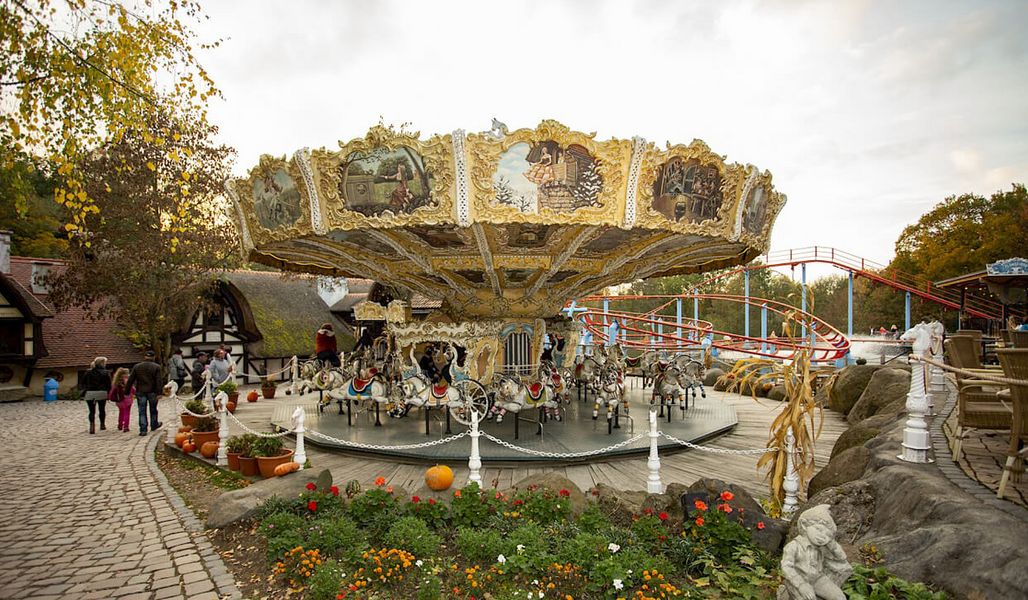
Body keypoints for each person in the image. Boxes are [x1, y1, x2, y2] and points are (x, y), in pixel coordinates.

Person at [127, 350, 163, 436]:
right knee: (153, 409)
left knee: (142, 411)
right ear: (153, 357)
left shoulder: (137, 366)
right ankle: (154, 425)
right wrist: (159, 392)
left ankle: (143, 429)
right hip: (152, 391)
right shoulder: (156, 367)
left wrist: (127, 391)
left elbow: (131, 379)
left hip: (140, 391)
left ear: (145, 357)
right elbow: (158, 381)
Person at [79, 356, 112, 434]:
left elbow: (82, 382)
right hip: (101, 392)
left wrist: (86, 389)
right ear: (102, 363)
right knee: (102, 409)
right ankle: (102, 424)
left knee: (91, 411)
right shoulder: (105, 372)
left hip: (90, 392)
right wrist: (108, 392)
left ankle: (92, 425)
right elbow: (109, 384)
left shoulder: (88, 372)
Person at [108, 367, 134, 433]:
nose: (128, 375)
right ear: (124, 374)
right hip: (127, 398)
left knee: (121, 412)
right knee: (127, 412)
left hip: (119, 400)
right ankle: (126, 426)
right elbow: (132, 389)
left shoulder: (116, 382)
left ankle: (120, 424)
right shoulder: (127, 381)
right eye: (127, 373)